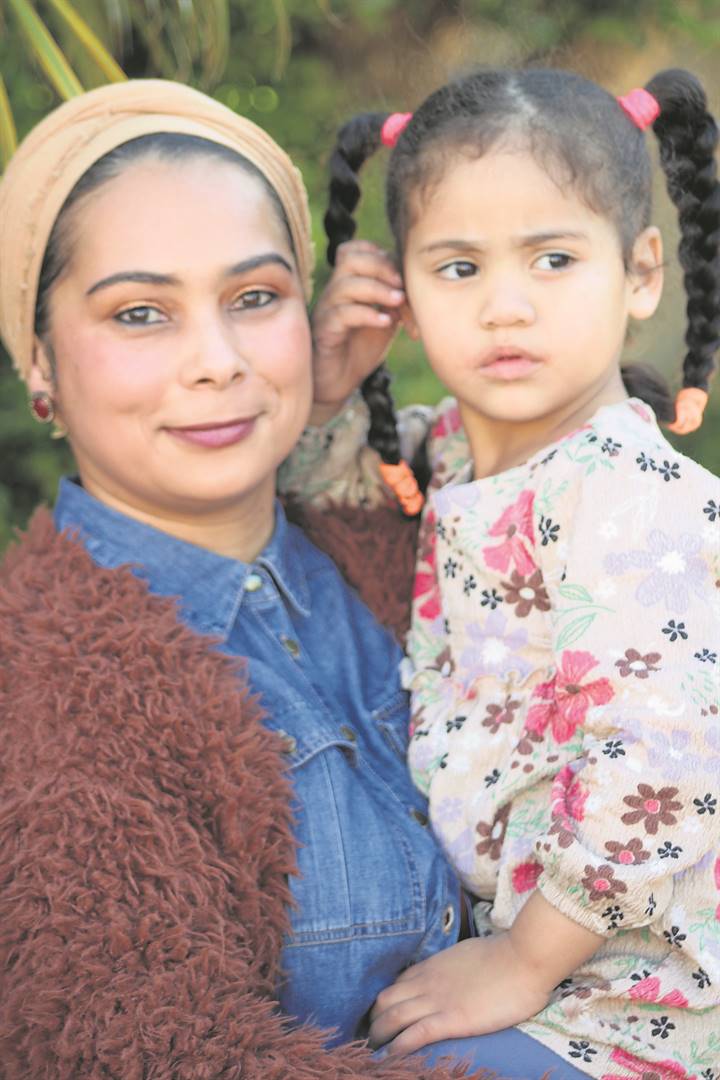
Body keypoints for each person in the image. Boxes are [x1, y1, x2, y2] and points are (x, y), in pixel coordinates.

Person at [0, 78, 490, 1080]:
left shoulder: (427, 546)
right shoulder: (37, 699)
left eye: (255, 298)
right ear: (39, 362)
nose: (217, 361)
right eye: (141, 313)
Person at [279, 67, 720, 1077]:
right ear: (403, 289)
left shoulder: (633, 497)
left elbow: (663, 764)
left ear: (640, 273)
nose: (505, 307)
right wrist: (329, 379)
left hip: (634, 995)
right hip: (523, 962)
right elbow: (301, 500)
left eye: (554, 259)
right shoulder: (444, 456)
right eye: (458, 267)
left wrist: (524, 961)